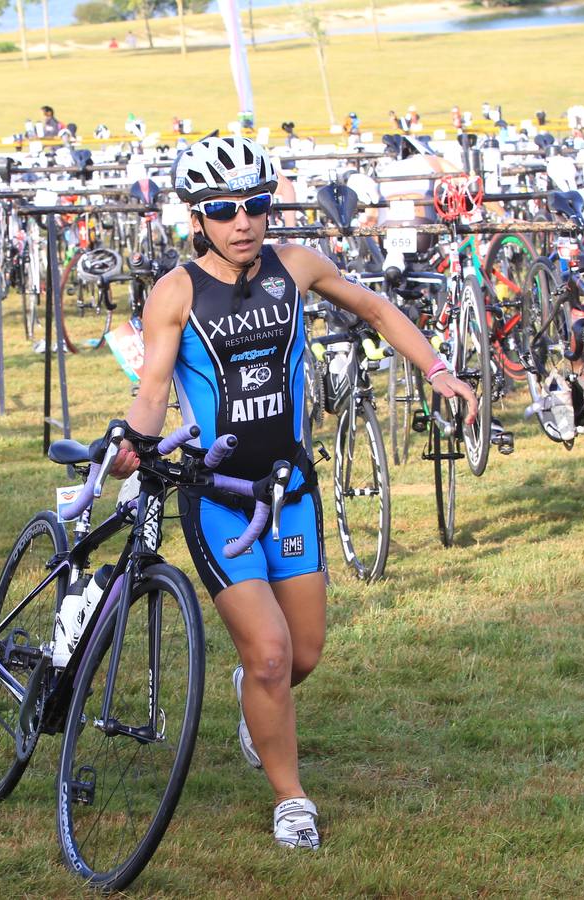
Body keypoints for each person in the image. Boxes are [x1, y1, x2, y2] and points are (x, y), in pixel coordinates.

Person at [107, 136, 476, 849]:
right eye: (223, 210)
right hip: (217, 499)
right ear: (198, 218)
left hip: (290, 490)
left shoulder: (296, 268)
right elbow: (153, 390)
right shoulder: (176, 292)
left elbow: (372, 310)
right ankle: (291, 799)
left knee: (301, 656)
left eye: (255, 206)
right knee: (270, 655)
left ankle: (258, 709)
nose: (242, 222)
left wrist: (436, 371)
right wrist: (133, 440)